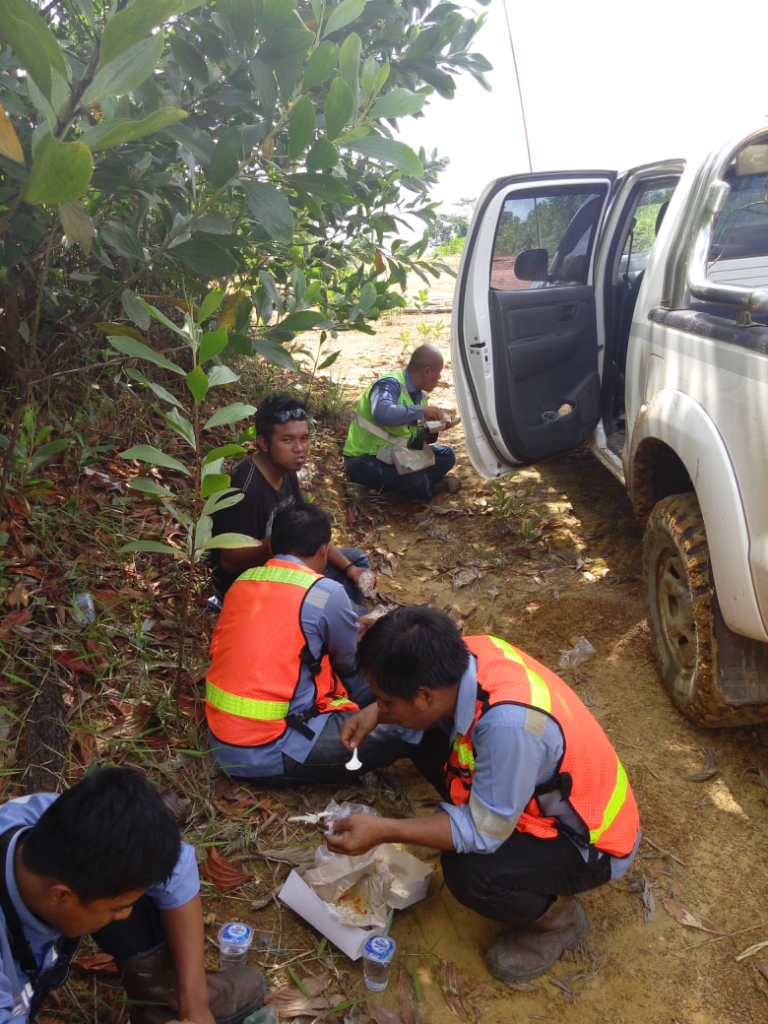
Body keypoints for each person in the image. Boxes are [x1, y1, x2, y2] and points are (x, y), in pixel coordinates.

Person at [326, 608, 641, 984]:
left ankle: (558, 919)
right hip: (539, 785)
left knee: (470, 871)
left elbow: (483, 832)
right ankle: (480, 794)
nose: (382, 707)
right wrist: (376, 713)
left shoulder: (509, 727)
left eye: (387, 700)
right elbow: (421, 713)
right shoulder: (466, 655)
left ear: (424, 695)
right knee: (422, 735)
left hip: (589, 839)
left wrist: (383, 829)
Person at [0, 767, 265, 1024]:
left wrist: (195, 1005)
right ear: (59, 896)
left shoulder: (43, 817)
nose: (125, 915)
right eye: (118, 908)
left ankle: (163, 1005)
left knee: (145, 882)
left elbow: (179, 869)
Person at [206, 504, 421, 785]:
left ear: (273, 548)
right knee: (413, 725)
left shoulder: (243, 582)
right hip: (270, 744)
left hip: (222, 738)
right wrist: (364, 639)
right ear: (324, 550)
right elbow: (347, 662)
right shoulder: (323, 592)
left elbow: (290, 627)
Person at [210, 393, 372, 605]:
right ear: (263, 442)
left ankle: (334, 616)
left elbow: (307, 530)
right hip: (254, 588)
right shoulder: (246, 490)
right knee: (339, 606)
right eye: (287, 440)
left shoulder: (285, 470)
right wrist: (280, 541)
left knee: (356, 561)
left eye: (304, 438)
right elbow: (228, 563)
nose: (299, 449)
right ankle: (335, 618)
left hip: (288, 566)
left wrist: (350, 569)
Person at [343, 344, 460, 501]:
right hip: (364, 459)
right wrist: (422, 412)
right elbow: (382, 413)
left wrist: (434, 429)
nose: (439, 379)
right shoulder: (389, 384)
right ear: (426, 371)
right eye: (438, 373)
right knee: (416, 478)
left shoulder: (421, 396)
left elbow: (414, 442)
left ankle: (396, 487)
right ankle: (429, 489)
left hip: (394, 455)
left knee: (447, 456)